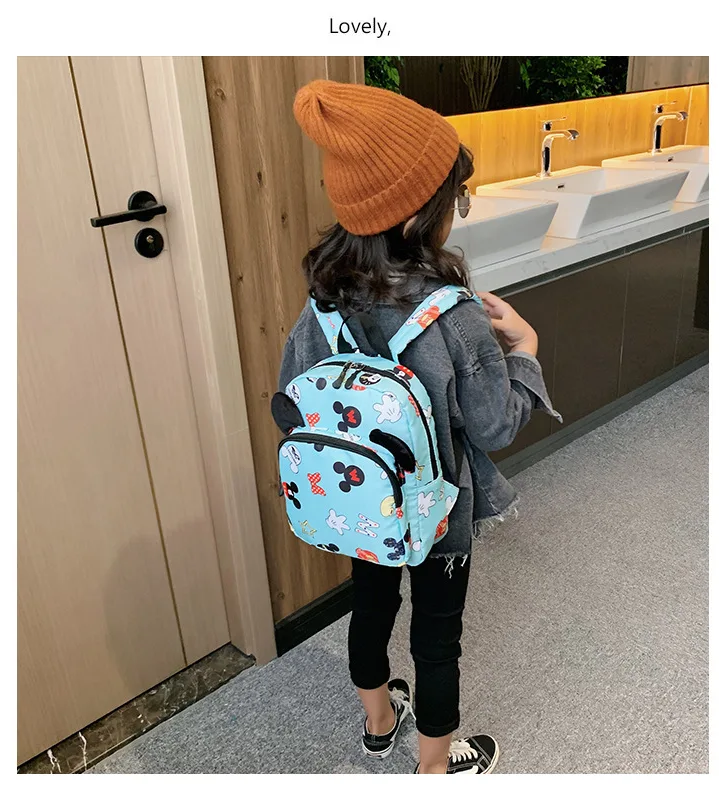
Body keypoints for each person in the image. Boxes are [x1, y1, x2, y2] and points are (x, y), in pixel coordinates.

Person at [279, 80, 560, 775]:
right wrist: (525, 350)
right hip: (439, 512)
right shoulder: (452, 315)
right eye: (453, 200)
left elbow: (297, 396)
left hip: (357, 499)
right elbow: (492, 426)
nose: (454, 213)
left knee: (370, 606)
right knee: (437, 638)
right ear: (416, 216)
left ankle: (380, 722)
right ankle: (433, 768)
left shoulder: (322, 303)